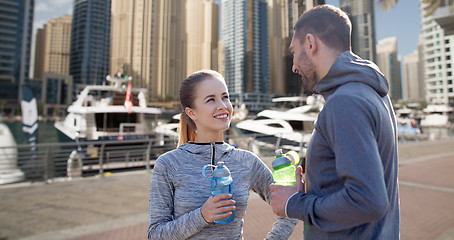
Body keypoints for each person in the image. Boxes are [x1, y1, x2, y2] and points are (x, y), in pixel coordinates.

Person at [269, 4, 400, 239]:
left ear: (310, 43)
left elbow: (368, 200)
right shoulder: (370, 92)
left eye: (294, 52)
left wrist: (294, 204)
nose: (294, 66)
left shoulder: (345, 102)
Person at [148, 69, 298, 239]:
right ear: (191, 112)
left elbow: (290, 205)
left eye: (225, 97)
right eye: (211, 99)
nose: (223, 105)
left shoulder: (247, 161)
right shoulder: (168, 164)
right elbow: (155, 234)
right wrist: (202, 216)